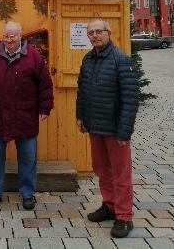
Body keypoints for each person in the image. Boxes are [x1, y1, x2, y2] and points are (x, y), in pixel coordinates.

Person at [0, 21, 53, 210]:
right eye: (6, 36)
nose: (9, 40)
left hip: (25, 116)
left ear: (21, 36)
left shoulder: (34, 56)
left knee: (27, 157)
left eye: (13, 36)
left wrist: (45, 108)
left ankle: (28, 194)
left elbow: (45, 84)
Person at [76, 18, 139, 239]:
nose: (94, 35)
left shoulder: (121, 60)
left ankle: (124, 217)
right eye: (91, 32)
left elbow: (131, 99)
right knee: (102, 170)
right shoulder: (88, 59)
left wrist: (125, 131)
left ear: (108, 33)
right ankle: (109, 205)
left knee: (121, 175)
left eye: (98, 32)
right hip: (95, 126)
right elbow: (82, 90)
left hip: (115, 129)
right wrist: (80, 116)